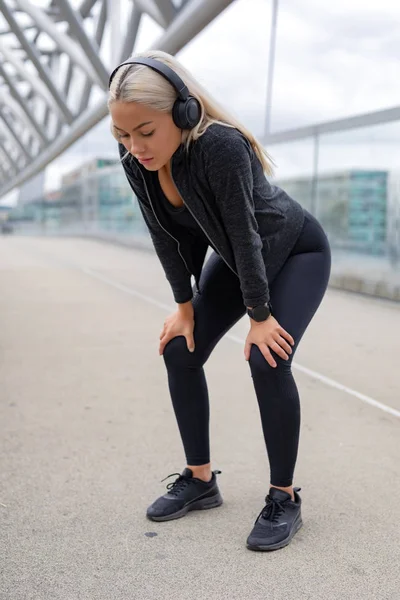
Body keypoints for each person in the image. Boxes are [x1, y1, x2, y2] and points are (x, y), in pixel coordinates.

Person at [107, 50, 331, 552]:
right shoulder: (136, 162)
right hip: (238, 261)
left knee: (267, 357)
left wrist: (260, 316)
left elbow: (245, 235)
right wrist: (184, 307)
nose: (135, 146)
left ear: (182, 113)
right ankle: (201, 480)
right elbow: (163, 236)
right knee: (178, 350)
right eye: (122, 135)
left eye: (145, 131)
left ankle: (284, 497)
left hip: (295, 251)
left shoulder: (221, 147)